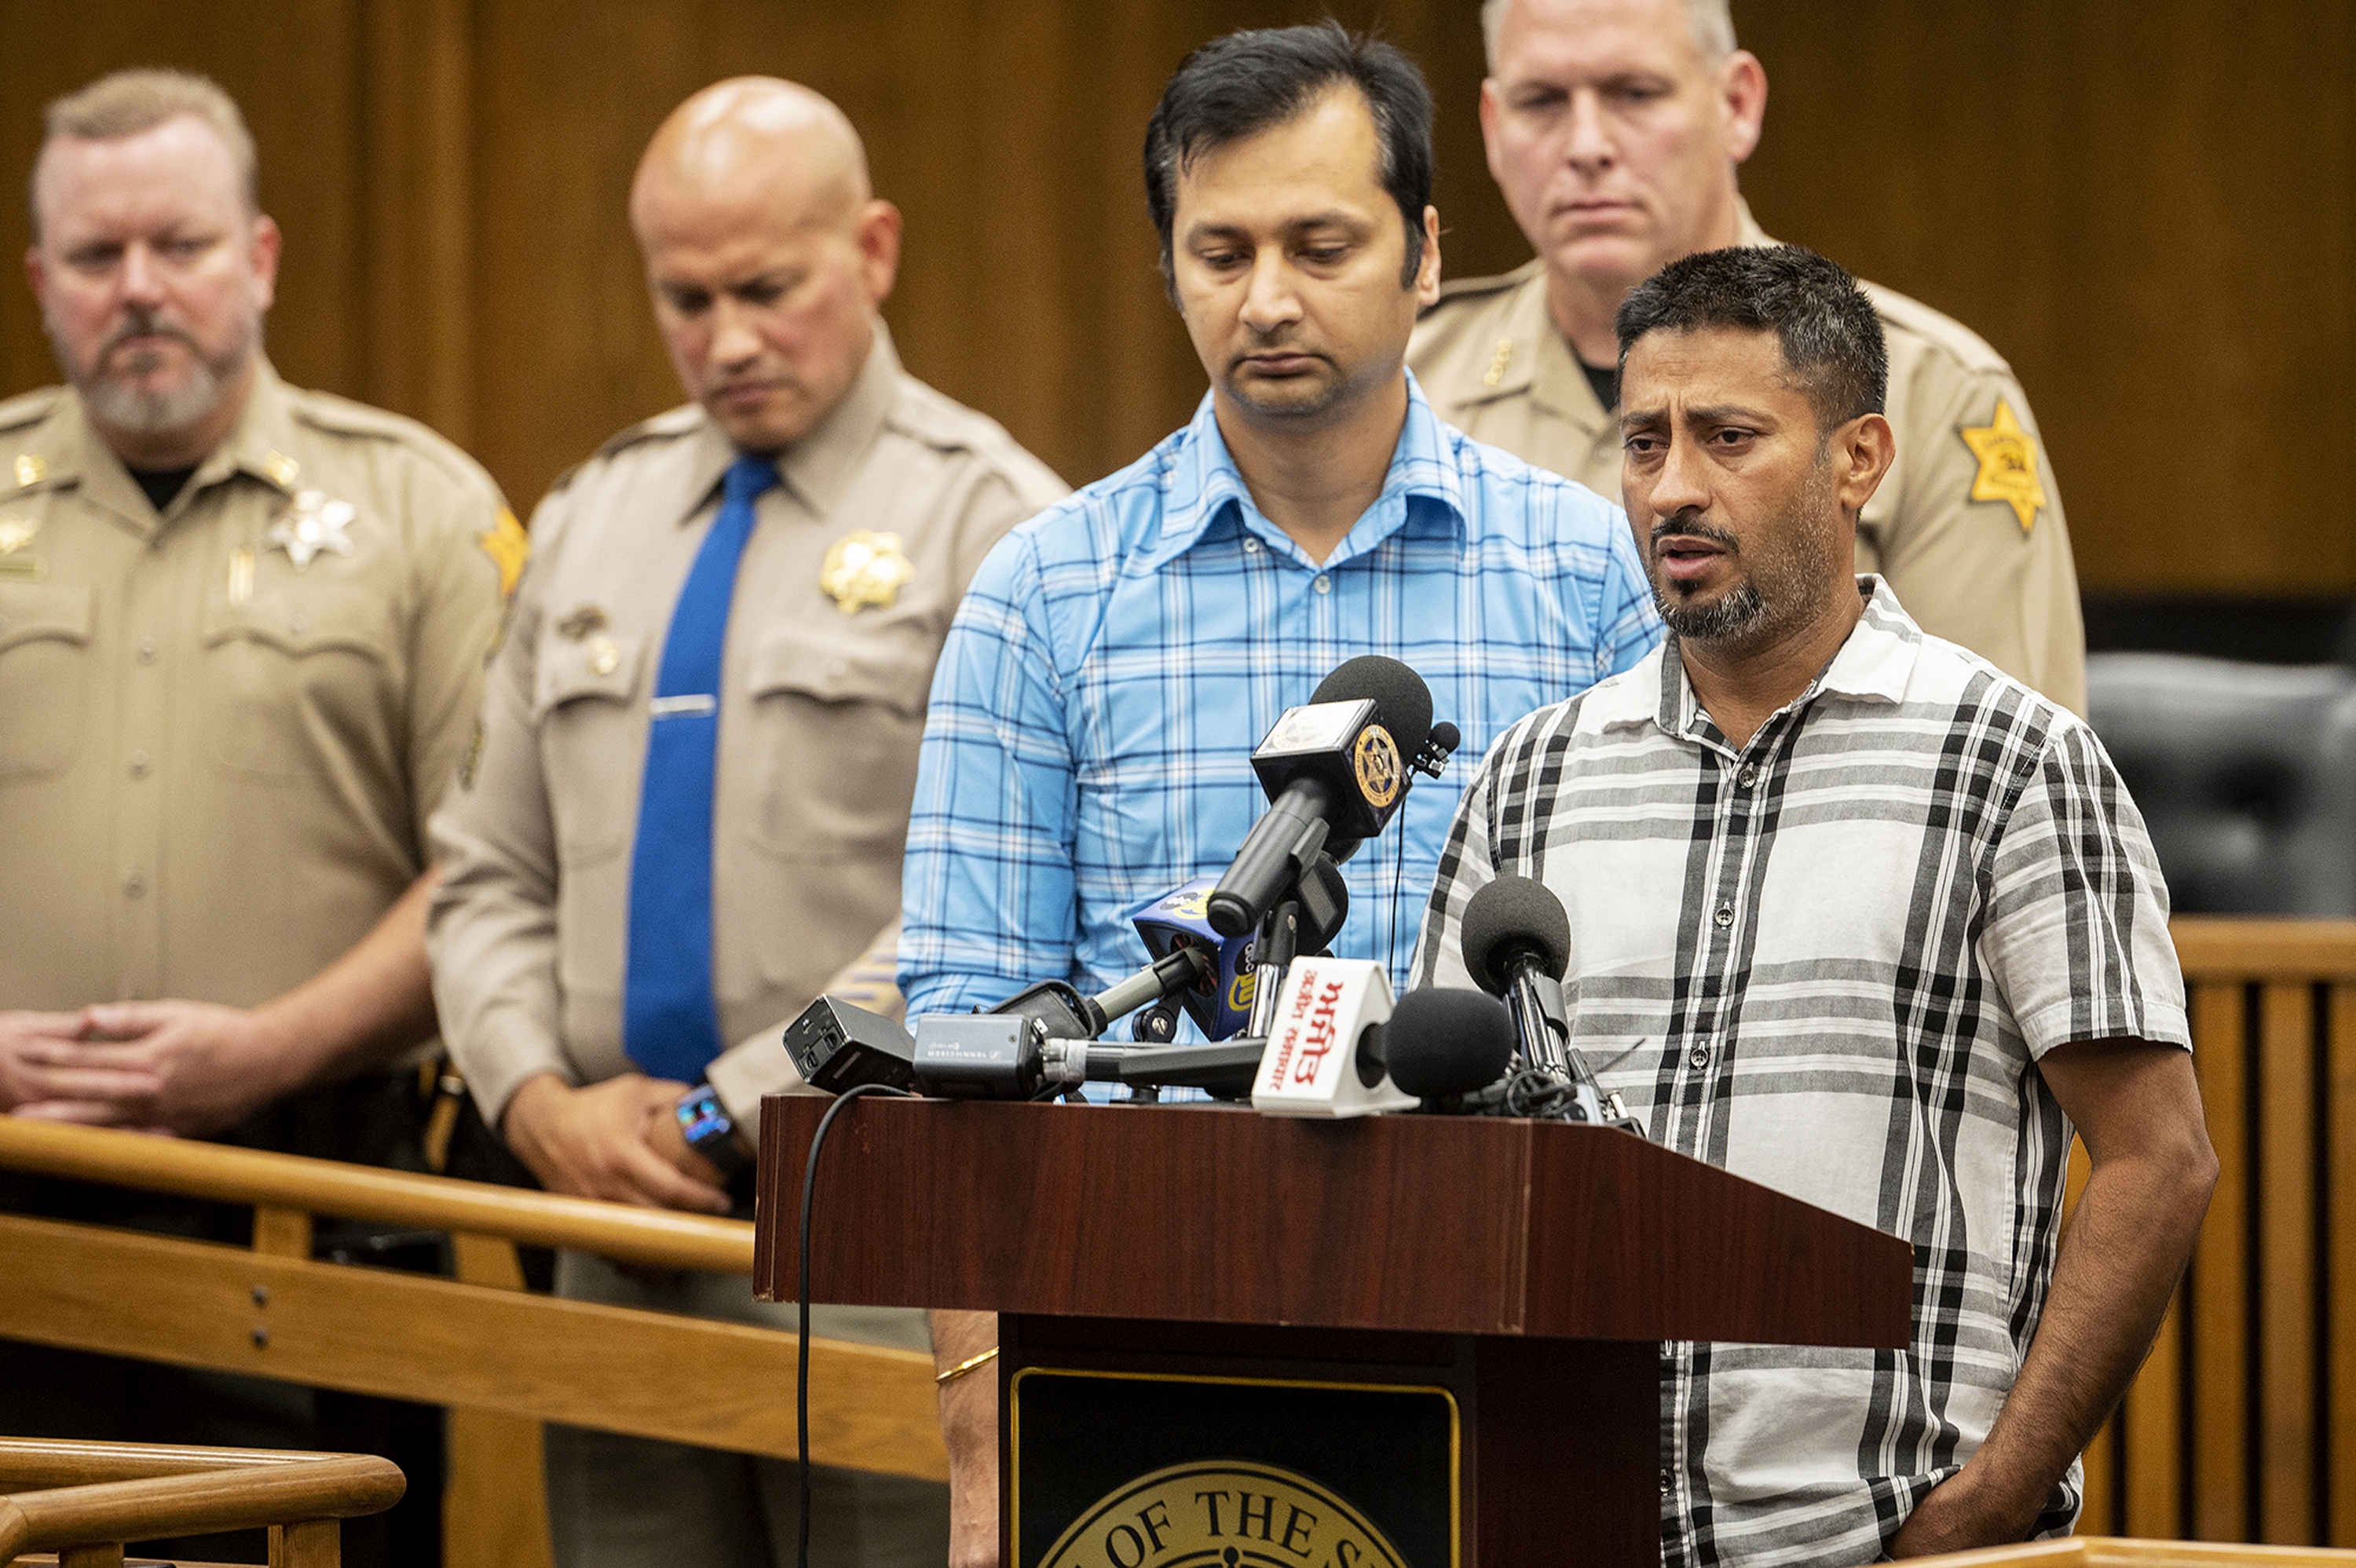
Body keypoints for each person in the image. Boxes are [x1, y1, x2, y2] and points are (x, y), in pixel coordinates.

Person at [897, 24, 1661, 1564]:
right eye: (1220, 250)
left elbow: (1660, 1001)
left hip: (1516, 1347)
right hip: (1134, 1356)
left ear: (1427, 252)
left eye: (1322, 244)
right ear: (1168, 266)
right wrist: (981, 1447)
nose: (1267, 298)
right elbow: (964, 1035)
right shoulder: (1046, 596)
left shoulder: (1590, 577)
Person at [1414, 244, 2215, 1565]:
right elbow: (1455, 1169)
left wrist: (1994, 1499)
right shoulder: (1532, 777)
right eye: (1645, 440)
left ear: (1860, 458)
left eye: (1730, 437)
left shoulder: (2008, 761)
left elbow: (2158, 1157)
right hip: (1562, 1520)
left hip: (1887, 1539)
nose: (1674, 487)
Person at [426, 77, 1066, 1568]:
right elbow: (486, 872)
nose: (726, 339)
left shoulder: (1001, 527)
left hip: (869, 1220)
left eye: (768, 289)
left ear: (876, 251)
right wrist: (534, 1098)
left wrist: (728, 1107)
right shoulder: (594, 513)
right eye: (685, 297)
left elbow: (989, 911)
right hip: (613, 1223)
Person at [0, 68, 513, 1566]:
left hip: (313, 1195)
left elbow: (487, 873)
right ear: (42, 283)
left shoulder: (423, 512)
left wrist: (271, 1047)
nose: (139, 289)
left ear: (263, 258)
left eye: (182, 244)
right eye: (96, 259)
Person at [1410, 0, 2087, 715]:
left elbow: (1999, 763)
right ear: (1491, 126)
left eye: (1634, 94)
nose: (1585, 145)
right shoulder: (1414, 385)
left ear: (1736, 104)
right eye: (1541, 101)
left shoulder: (1929, 387)